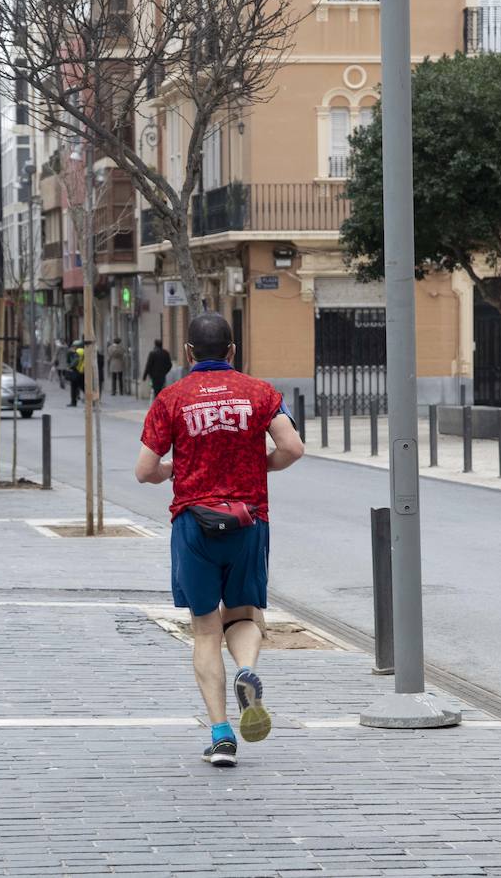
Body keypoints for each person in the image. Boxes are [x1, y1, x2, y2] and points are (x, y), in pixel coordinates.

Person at [134, 313, 305, 767]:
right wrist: (257, 465)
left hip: (194, 524)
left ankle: (222, 735)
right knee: (245, 614)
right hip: (249, 520)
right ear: (233, 351)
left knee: (205, 630)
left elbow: (145, 470)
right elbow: (293, 448)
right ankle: (247, 670)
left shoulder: (171, 398)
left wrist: (174, 470)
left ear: (188, 353)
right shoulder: (261, 393)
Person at [68, 340, 86, 407]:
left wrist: (70, 366)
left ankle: (73, 402)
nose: (73, 347)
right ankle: (91, 399)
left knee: (74, 387)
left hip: (77, 371)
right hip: (82, 371)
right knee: (83, 387)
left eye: (74, 345)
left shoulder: (79, 351)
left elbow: (75, 361)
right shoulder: (84, 350)